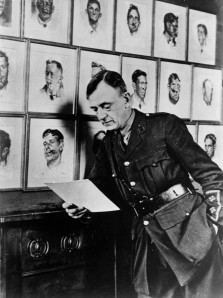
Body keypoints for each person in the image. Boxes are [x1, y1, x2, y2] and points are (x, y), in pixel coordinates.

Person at [63, 70, 223, 298]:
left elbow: (209, 173)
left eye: (106, 106)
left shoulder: (164, 126)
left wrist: (215, 224)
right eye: (96, 109)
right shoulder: (108, 144)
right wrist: (80, 207)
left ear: (127, 99)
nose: (101, 115)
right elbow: (97, 191)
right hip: (148, 242)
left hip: (191, 235)